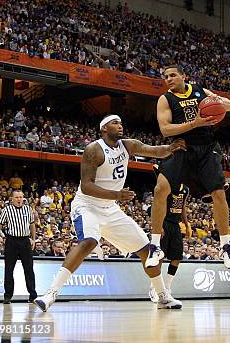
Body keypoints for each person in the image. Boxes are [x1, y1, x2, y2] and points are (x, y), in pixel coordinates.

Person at [34, 115, 186, 312]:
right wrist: (117, 194)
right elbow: (87, 186)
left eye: (121, 122)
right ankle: (50, 294)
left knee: (148, 250)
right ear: (104, 128)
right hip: (87, 205)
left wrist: (171, 147)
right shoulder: (93, 150)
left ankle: (162, 295)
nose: (120, 126)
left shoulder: (127, 145)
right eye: (115, 123)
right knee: (89, 241)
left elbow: (154, 151)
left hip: (111, 208)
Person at [149, 65, 230, 269]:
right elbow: (165, 129)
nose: (169, 79)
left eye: (173, 75)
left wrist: (219, 103)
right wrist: (195, 123)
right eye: (166, 77)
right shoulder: (165, 99)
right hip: (181, 147)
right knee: (160, 189)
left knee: (219, 193)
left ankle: (226, 246)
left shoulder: (199, 91)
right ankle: (154, 245)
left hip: (207, 148)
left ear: (183, 77)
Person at [148, 164, 190, 303]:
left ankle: (167, 287)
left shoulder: (186, 189)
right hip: (164, 221)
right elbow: (159, 203)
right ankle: (154, 288)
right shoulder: (167, 183)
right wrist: (158, 224)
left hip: (175, 224)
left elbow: (183, 206)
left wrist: (187, 224)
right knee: (160, 256)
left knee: (177, 257)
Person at [0, 190, 37, 303]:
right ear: (12, 199)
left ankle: (33, 294)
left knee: (29, 269)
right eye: (16, 197)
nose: (19, 199)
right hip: (11, 241)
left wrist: (33, 239)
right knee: (8, 269)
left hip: (25, 241)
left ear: (23, 198)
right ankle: (7, 295)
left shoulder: (28, 209)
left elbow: (32, 224)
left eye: (21, 197)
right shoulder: (7, 210)